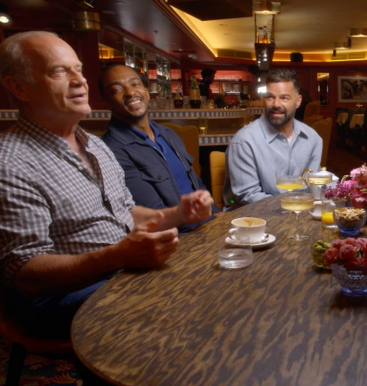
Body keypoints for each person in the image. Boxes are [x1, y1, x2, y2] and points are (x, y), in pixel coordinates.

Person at [0, 31, 213, 337]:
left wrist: (178, 214)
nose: (79, 81)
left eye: (78, 69)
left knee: (219, 279)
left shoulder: (94, 146)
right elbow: (25, 274)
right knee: (190, 309)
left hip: (121, 272)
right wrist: (118, 256)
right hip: (63, 299)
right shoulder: (11, 161)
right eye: (58, 71)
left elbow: (125, 210)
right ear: (18, 87)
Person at [99, 64, 219, 234]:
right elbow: (153, 215)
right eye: (117, 89)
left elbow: (194, 181)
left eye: (135, 84)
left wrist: (215, 212)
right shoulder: (112, 151)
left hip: (207, 225)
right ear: (106, 102)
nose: (130, 92)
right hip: (179, 237)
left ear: (147, 91)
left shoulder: (168, 134)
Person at [225, 68, 322, 206]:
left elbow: (313, 187)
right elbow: (248, 196)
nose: (276, 105)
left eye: (284, 98)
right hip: (254, 219)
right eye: (270, 97)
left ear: (298, 101)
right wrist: (293, 205)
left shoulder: (312, 138)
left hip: (300, 214)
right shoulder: (244, 141)